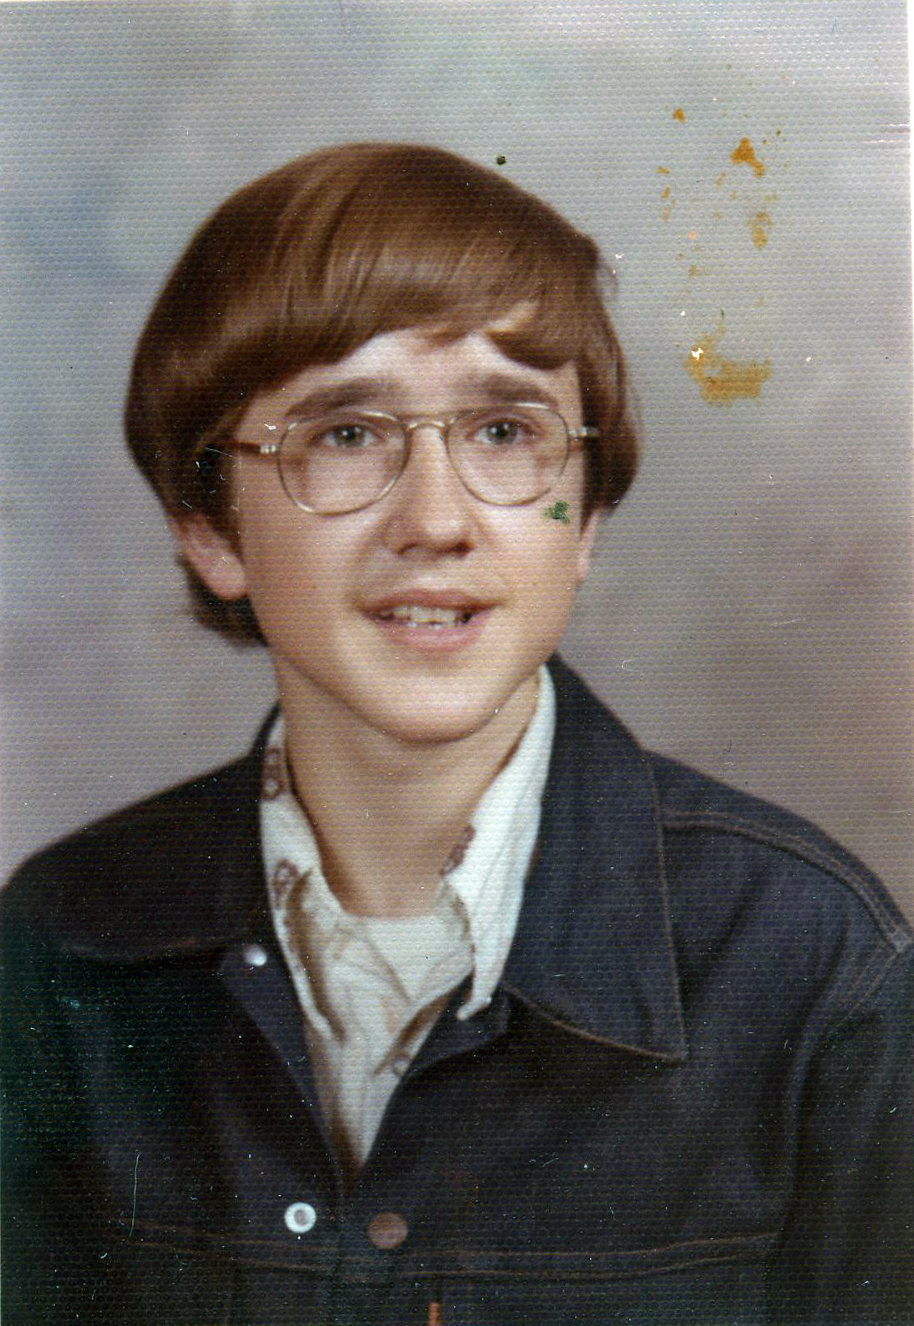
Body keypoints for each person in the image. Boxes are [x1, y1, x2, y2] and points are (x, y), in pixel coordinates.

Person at [1, 142, 910, 1326]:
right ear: (209, 527)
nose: (435, 520)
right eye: (344, 434)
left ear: (582, 522)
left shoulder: (813, 966)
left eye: (503, 432)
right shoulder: (62, 946)